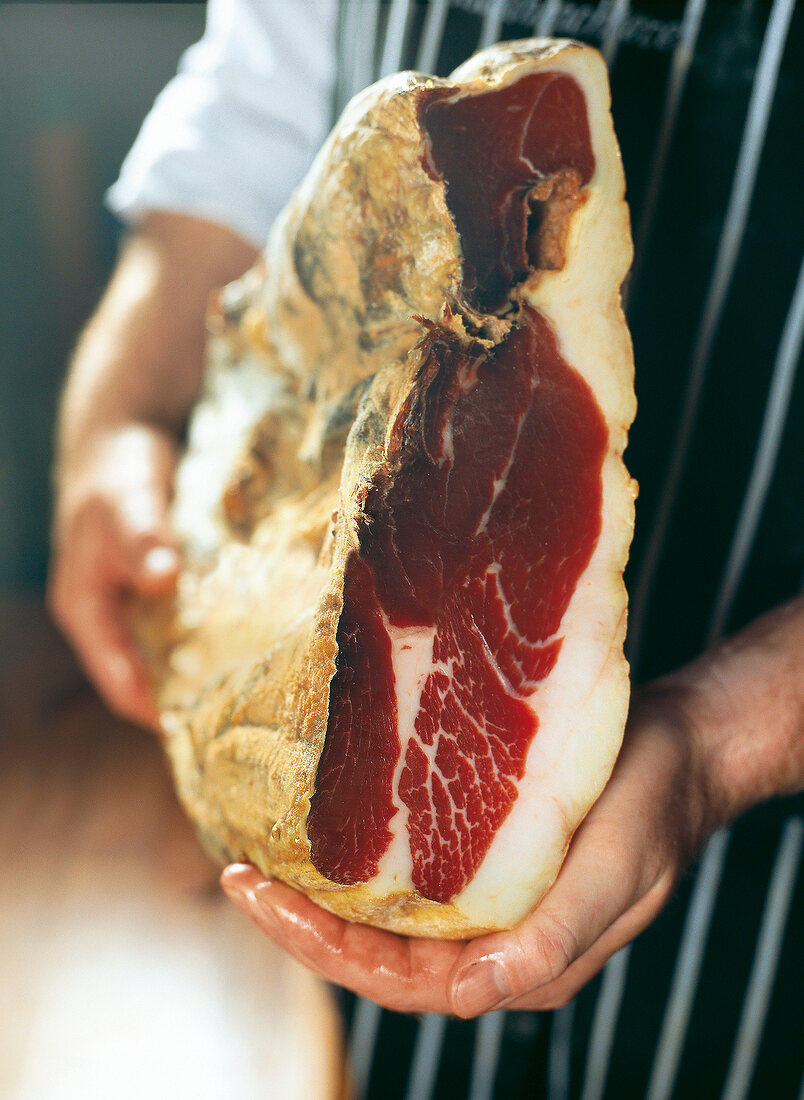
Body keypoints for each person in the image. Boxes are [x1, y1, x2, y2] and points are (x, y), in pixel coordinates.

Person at [50, 0, 803, 1093]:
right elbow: (243, 122)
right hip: (397, 872)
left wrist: (718, 741)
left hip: (763, 945)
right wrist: (115, 421)